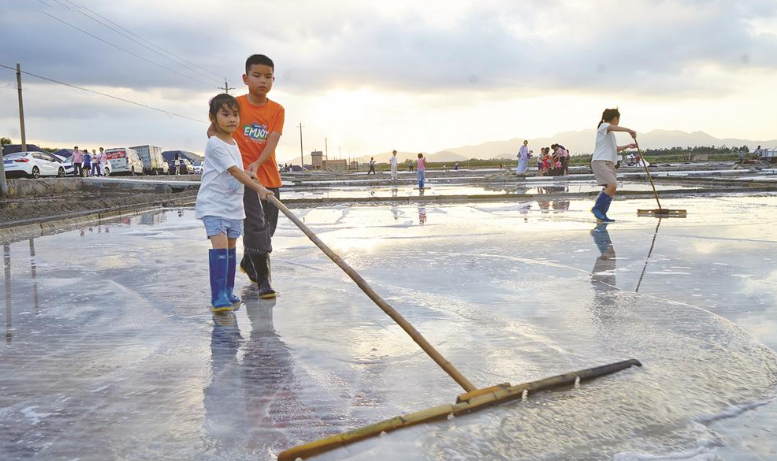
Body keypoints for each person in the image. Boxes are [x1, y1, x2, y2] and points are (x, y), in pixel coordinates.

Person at [208, 54, 285, 299]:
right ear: (245, 78)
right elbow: (213, 132)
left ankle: (249, 262)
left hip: (268, 176)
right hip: (243, 179)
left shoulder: (277, 110)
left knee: (268, 227)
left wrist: (257, 163)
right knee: (256, 226)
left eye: (268, 77)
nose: (263, 81)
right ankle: (264, 281)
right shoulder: (235, 105)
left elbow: (272, 140)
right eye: (257, 76)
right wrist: (233, 162)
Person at [196, 93, 273, 312]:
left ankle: (228, 291)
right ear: (213, 117)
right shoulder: (215, 144)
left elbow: (239, 171)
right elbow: (234, 171)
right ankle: (218, 297)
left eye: (235, 115)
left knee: (231, 251)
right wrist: (258, 188)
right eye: (225, 114)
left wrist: (252, 176)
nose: (232, 119)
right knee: (220, 250)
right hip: (214, 206)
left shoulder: (233, 142)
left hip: (232, 208)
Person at [590, 108, 637, 223]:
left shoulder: (608, 133)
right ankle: (597, 208)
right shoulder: (604, 126)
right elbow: (611, 127)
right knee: (612, 185)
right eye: (618, 119)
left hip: (608, 162)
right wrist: (628, 130)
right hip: (601, 161)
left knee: (610, 189)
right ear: (615, 118)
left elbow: (615, 148)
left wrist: (627, 146)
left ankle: (601, 214)